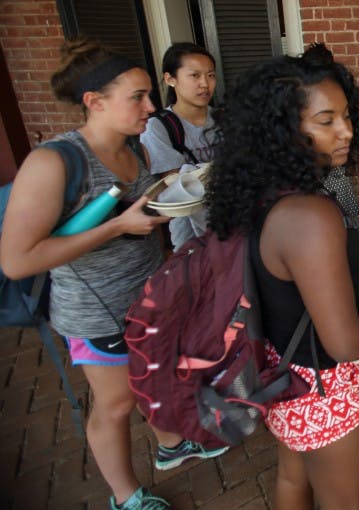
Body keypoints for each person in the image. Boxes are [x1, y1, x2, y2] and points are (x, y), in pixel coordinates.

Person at [0, 38, 227, 510]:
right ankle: (126, 498)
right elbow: (18, 260)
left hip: (147, 296)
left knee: (154, 377)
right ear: (94, 102)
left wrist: (157, 214)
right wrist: (119, 225)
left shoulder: (136, 151)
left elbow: (141, 217)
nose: (150, 107)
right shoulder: (55, 162)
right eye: (138, 98)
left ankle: (170, 445)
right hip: (93, 313)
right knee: (116, 405)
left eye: (149, 95)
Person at [204, 43, 359, 509]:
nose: (346, 131)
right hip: (325, 386)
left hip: (285, 373)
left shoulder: (263, 192)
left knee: (292, 481)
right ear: (284, 131)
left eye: (346, 116)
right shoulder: (311, 214)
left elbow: (286, 276)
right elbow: (344, 343)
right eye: (326, 121)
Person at [140, 42, 217, 248]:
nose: (205, 84)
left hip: (232, 219)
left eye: (210, 75)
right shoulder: (158, 127)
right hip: (189, 232)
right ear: (170, 79)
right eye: (195, 76)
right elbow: (176, 184)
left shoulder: (225, 118)